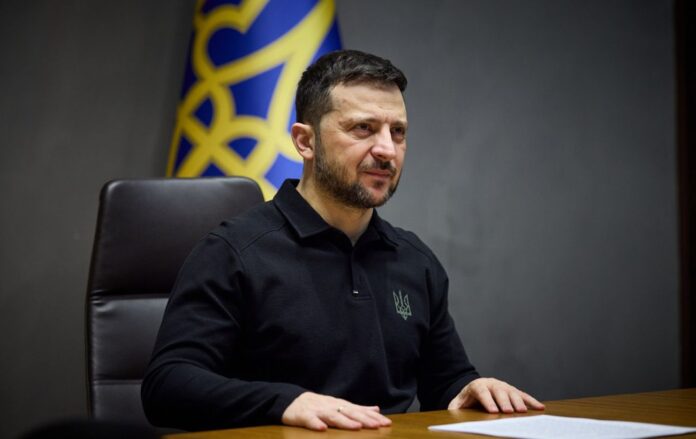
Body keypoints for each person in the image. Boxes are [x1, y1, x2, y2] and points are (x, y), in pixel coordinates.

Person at [141, 49, 544, 432]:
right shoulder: (233, 252)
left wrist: (469, 388)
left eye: (398, 132)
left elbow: (445, 382)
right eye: (363, 128)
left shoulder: (415, 261)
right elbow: (167, 386)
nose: (387, 150)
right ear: (305, 141)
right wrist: (286, 403)